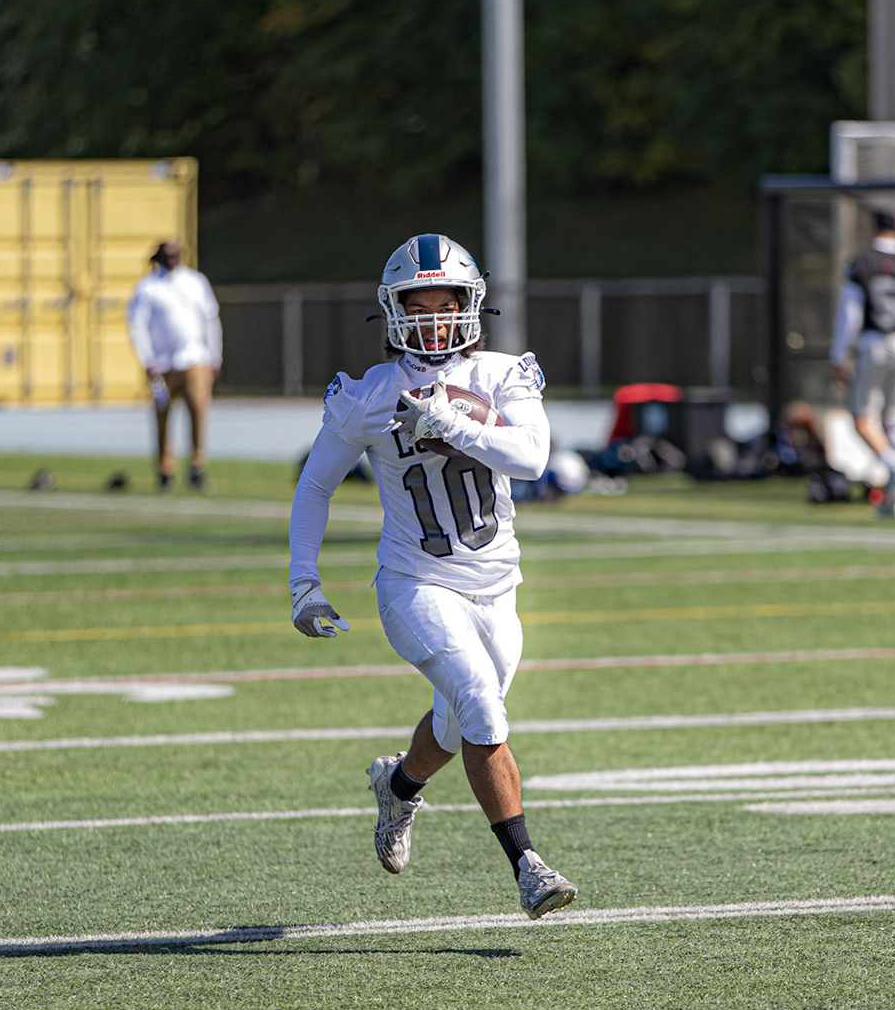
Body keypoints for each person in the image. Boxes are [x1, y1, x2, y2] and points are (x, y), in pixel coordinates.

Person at [286, 233, 577, 920]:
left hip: (498, 585)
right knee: (480, 704)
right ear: (393, 311)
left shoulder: (502, 375)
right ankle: (529, 867)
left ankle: (398, 786)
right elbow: (315, 486)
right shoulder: (370, 394)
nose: (433, 320)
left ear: (471, 305)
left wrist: (451, 422)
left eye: (446, 305)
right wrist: (304, 580)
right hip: (415, 581)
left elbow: (532, 458)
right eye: (418, 306)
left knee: (458, 723)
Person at [831, 209, 895, 518]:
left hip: (876, 342)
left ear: (873, 227)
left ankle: (894, 464)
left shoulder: (862, 263)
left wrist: (839, 355)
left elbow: (850, 314)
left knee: (864, 419)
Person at [127, 241, 222, 491]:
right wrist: (147, 359)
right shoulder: (148, 286)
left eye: (175, 254)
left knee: (198, 412)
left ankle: (197, 467)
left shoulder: (195, 281)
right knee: (162, 415)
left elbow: (211, 319)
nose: (172, 259)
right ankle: (165, 470)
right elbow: (137, 325)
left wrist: (215, 356)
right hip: (161, 365)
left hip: (194, 360)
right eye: (167, 255)